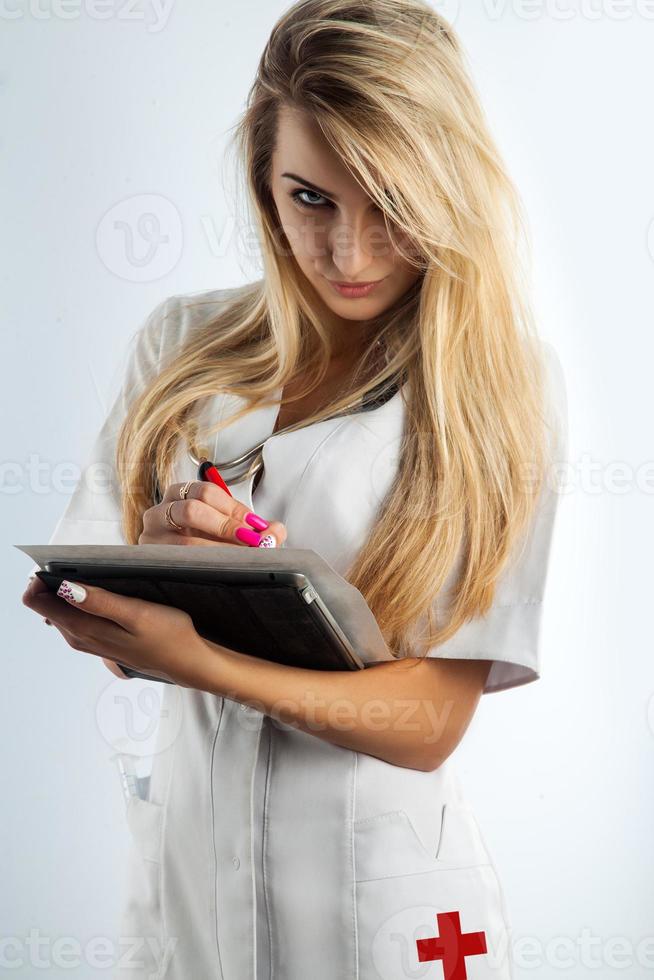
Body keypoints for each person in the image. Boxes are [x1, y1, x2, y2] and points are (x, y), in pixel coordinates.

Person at [22, 1, 568, 977]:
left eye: (390, 202)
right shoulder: (178, 344)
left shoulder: (499, 385)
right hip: (196, 873)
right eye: (309, 198)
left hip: (384, 905)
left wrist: (204, 651)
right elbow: (107, 632)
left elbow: (431, 721)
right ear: (262, 180)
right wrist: (144, 575)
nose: (349, 255)